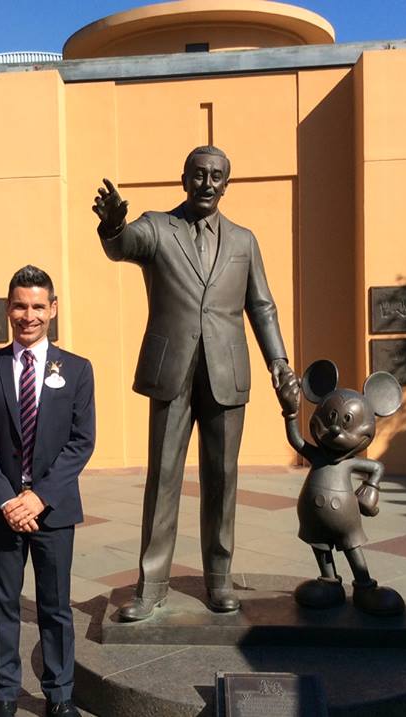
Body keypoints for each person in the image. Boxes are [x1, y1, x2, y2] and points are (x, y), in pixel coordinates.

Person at [92, 145, 299, 621]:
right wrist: (113, 225)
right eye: (199, 175)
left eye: (217, 176)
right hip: (173, 371)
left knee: (222, 480)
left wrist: (280, 363)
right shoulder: (157, 228)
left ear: (227, 184)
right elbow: (122, 246)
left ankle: (220, 580)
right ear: (183, 178)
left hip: (227, 371)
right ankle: (151, 586)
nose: (207, 183)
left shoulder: (244, 241)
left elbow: (261, 306)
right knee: (163, 477)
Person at [0, 265, 95, 717]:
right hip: (2, 509)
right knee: (2, 603)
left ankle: (59, 696)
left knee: (55, 606)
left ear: (53, 309)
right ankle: (4, 693)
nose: (29, 315)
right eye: (20, 305)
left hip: (53, 509)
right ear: (8, 308)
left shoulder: (77, 370)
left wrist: (39, 497)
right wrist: (7, 500)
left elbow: (82, 441)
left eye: (38, 306)